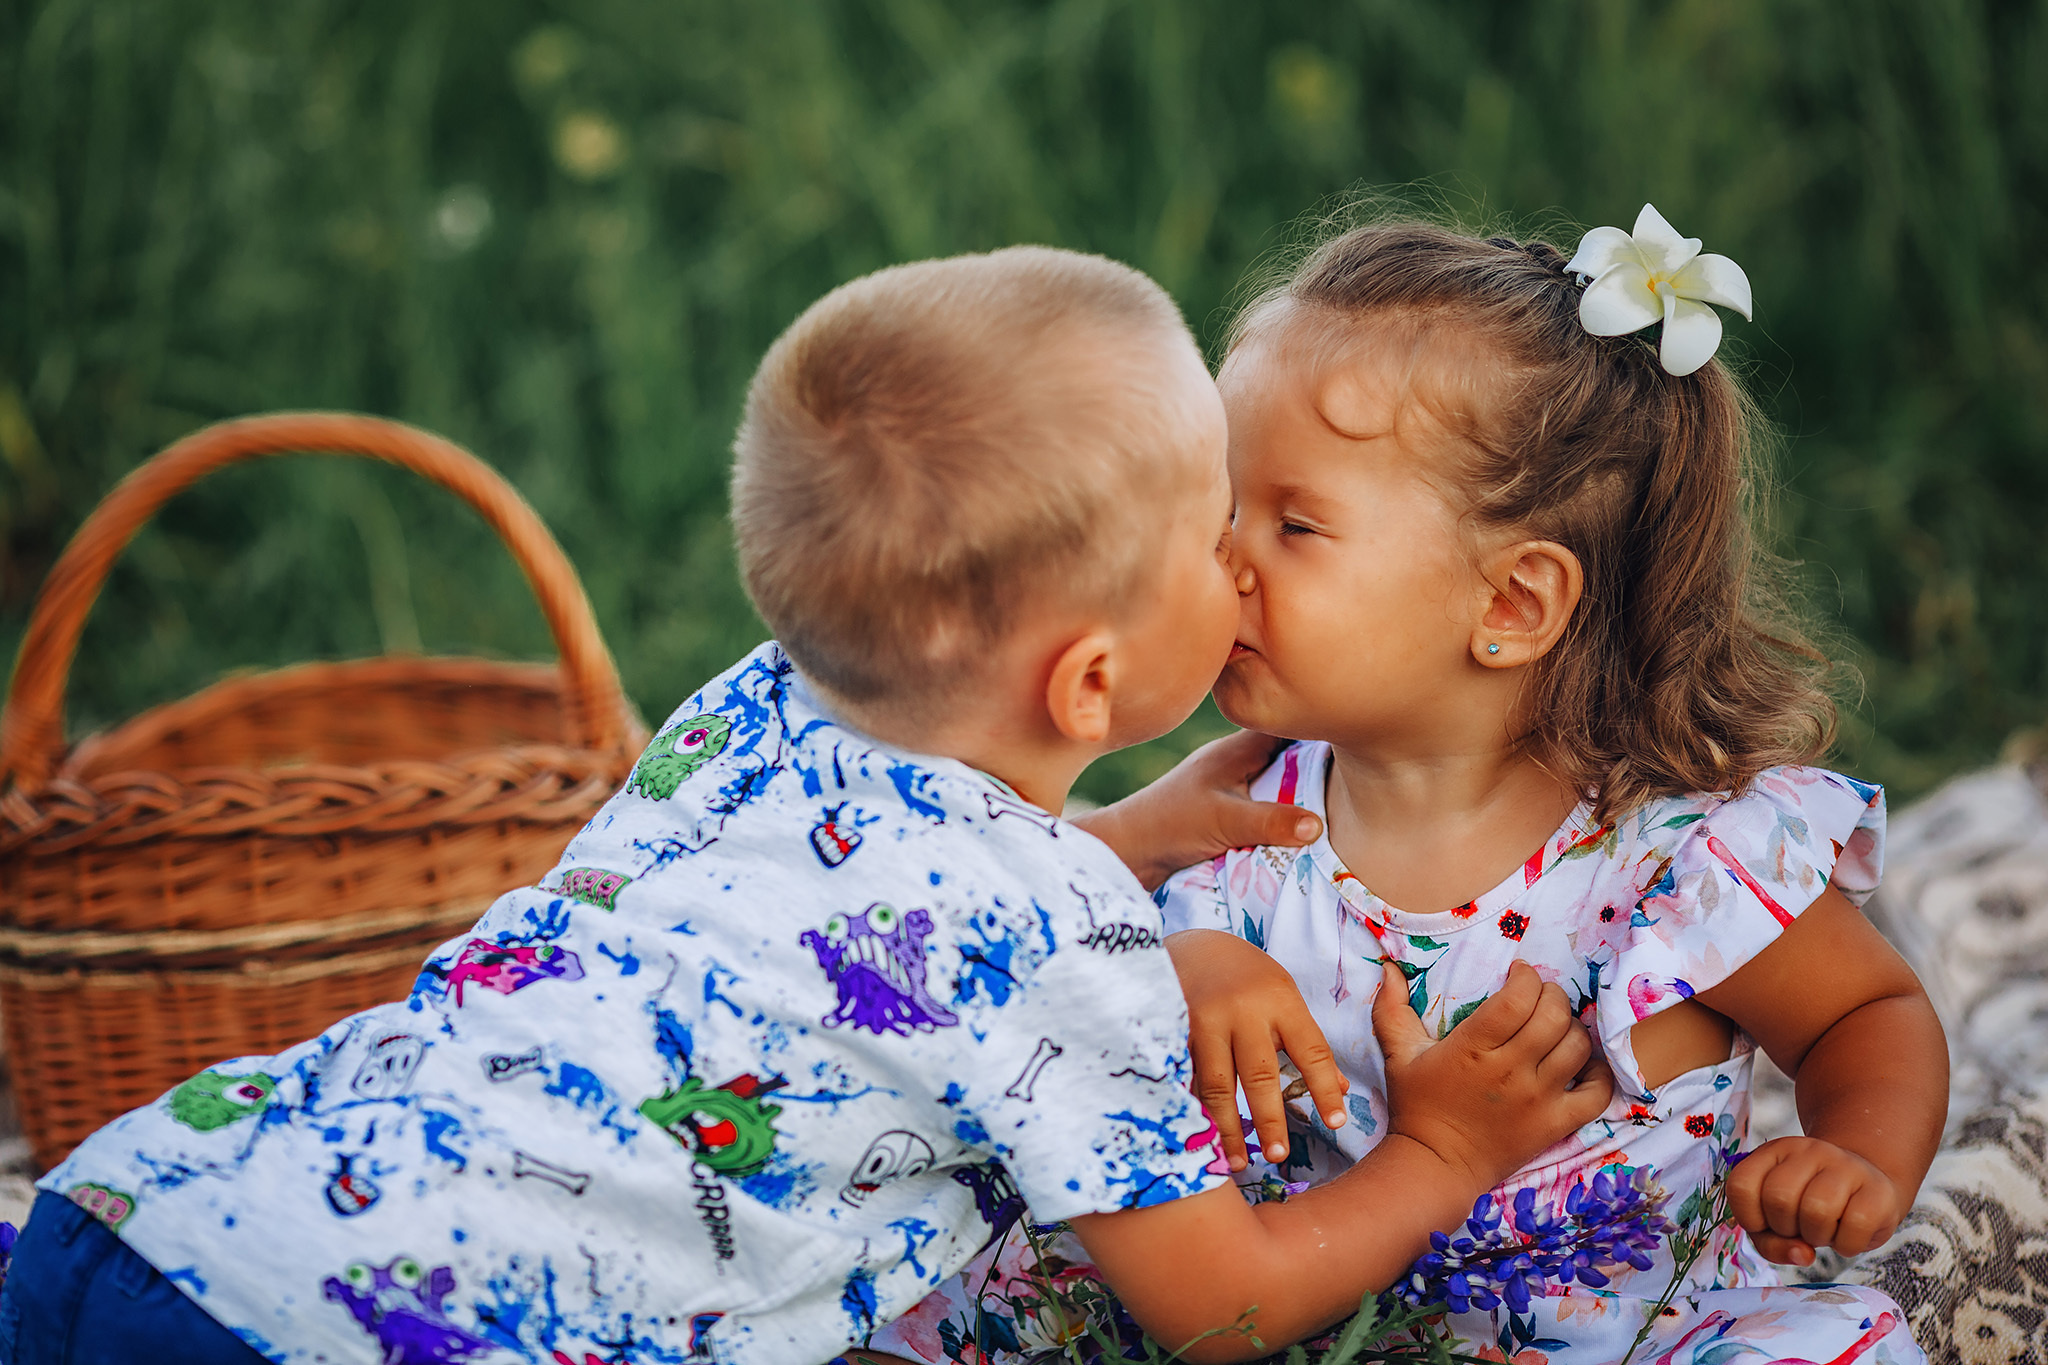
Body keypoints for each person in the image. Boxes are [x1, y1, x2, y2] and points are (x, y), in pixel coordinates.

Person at [0, 247, 1613, 1365]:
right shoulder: (1065, 959)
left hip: (142, 1217)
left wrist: (1115, 845)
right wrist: (1435, 1153)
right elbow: (1220, 1308)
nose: (1244, 567)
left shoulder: (750, 705)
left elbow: (848, 911)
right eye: (1215, 533)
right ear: (1087, 684)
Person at [870, 211, 1950, 1365]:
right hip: (1287, 1313)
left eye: (1291, 523)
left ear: (1509, 607)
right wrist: (1168, 955)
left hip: (1620, 1340)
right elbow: (1051, 967)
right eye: (1221, 505)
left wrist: (1853, 1155)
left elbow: (1863, 1014)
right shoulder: (1245, 813)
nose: (1222, 557)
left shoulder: (1671, 863)